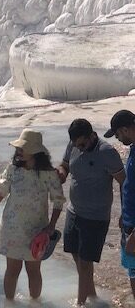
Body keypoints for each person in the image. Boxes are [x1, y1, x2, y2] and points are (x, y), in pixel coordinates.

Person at [0, 129, 65, 301]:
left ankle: (35, 303)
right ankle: (9, 304)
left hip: (36, 231)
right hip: (11, 229)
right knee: (12, 270)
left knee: (33, 271)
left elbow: (58, 201)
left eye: (22, 149)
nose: (18, 151)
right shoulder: (13, 169)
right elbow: (1, 192)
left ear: (35, 151)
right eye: (18, 148)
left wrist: (51, 226)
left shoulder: (49, 174)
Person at [57, 118, 125, 307]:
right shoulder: (73, 144)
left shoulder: (107, 152)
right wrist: (61, 173)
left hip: (95, 216)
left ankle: (80, 304)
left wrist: (125, 212)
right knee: (75, 255)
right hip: (73, 211)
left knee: (86, 261)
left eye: (83, 144)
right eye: (77, 145)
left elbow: (124, 183)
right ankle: (92, 294)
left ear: (91, 135)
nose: (81, 147)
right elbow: (64, 165)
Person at [104, 110, 135, 299]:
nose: (117, 138)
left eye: (117, 135)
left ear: (125, 129)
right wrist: (125, 216)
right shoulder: (133, 149)